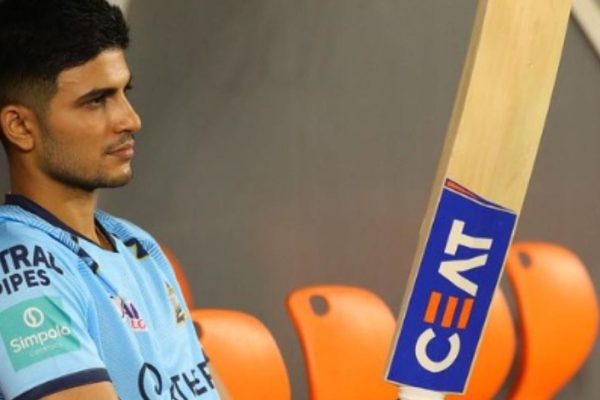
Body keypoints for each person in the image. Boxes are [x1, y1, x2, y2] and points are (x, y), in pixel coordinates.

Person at [0, 0, 228, 399]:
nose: (130, 119)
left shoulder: (138, 244)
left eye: (125, 92)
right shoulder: (18, 271)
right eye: (96, 100)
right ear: (20, 126)